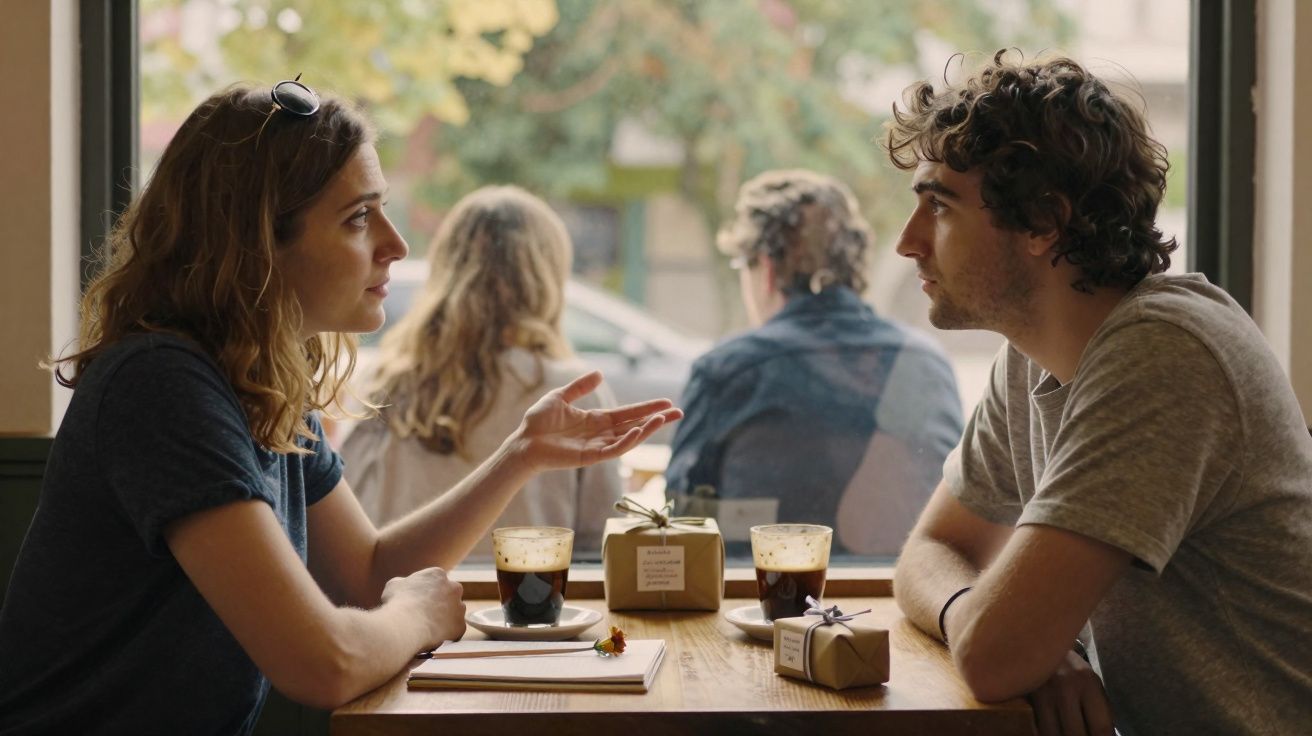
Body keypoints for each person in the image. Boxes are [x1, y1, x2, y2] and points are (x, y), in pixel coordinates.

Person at [0, 79, 678, 735]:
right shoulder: (161, 385)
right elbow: (322, 665)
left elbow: (367, 575)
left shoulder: (258, 381)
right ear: (258, 246)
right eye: (358, 218)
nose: (397, 245)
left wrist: (521, 456)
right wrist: (416, 614)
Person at [885, 51, 1312, 735]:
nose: (909, 243)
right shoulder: (1032, 357)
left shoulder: (1166, 354)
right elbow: (929, 552)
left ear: (1042, 223)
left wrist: (1014, 639)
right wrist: (1024, 640)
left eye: (939, 205)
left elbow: (994, 657)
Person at [664, 169, 963, 556]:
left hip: (760, 603)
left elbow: (681, 527)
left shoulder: (727, 370)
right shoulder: (926, 365)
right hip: (900, 599)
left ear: (765, 269)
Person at [338, 185, 622, 560]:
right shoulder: (571, 393)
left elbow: (348, 529)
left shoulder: (384, 382)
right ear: (548, 276)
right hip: (527, 606)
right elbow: (601, 546)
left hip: (402, 600)